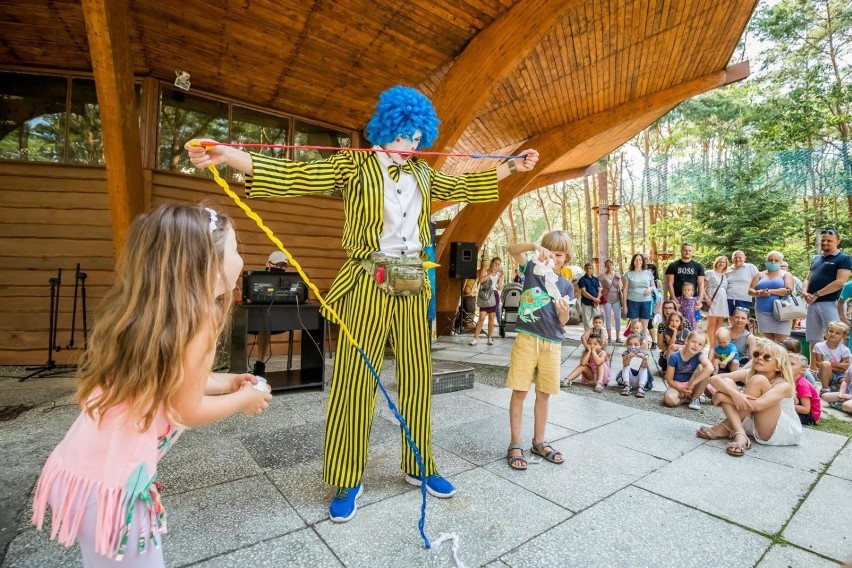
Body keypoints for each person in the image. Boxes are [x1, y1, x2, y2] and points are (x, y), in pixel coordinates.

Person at [186, 86, 539, 520]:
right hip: (367, 281)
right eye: (405, 135)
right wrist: (228, 154)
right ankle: (348, 477)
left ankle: (419, 465)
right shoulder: (354, 165)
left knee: (416, 377)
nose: (411, 145)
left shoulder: (425, 175)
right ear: (387, 129)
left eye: (417, 137)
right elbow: (298, 175)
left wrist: (512, 166)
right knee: (355, 380)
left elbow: (465, 182)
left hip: (413, 282)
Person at [30, 204, 272, 565]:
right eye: (235, 250)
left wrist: (231, 383)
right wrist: (244, 401)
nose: (240, 259)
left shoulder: (155, 314)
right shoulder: (199, 320)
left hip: (79, 468)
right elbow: (185, 408)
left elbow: (176, 382)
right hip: (115, 488)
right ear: (207, 263)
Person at [505, 232, 573, 470]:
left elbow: (563, 320)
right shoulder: (532, 268)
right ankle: (515, 442)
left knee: (544, 394)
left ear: (566, 257)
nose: (554, 256)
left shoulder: (566, 285)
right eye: (550, 251)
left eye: (559, 253)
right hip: (527, 339)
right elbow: (511, 249)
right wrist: (534, 246)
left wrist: (563, 311)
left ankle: (539, 441)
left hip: (552, 343)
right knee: (520, 391)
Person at [699, 341, 801, 456]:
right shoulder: (749, 373)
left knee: (758, 380)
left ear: (778, 366)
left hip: (777, 429)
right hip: (753, 418)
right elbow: (713, 379)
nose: (760, 358)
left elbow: (758, 405)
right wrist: (734, 394)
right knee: (727, 382)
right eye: (757, 354)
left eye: (767, 357)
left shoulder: (784, 385)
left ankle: (725, 428)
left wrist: (723, 397)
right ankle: (740, 433)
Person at [803, 228, 852, 353]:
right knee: (813, 338)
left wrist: (817, 294)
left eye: (829, 241)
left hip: (831, 302)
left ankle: (836, 366)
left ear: (837, 241)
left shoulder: (843, 258)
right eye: (823, 240)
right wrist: (804, 293)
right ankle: (814, 368)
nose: (825, 243)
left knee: (835, 337)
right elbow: (807, 279)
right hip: (812, 303)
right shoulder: (816, 258)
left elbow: (840, 282)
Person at [254, 250, 291, 375]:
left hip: (279, 318)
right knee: (264, 324)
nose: (280, 268)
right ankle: (260, 364)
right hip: (258, 318)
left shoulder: (287, 280)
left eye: (283, 266)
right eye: (277, 265)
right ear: (268, 264)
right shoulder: (257, 277)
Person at [748, 250, 795, 343]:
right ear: (766, 261)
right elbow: (750, 291)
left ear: (780, 262)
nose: (773, 262)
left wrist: (770, 291)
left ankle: (782, 358)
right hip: (762, 312)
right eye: (770, 260)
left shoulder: (786, 274)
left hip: (782, 312)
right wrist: (759, 293)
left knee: (782, 341)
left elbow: (788, 290)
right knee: (768, 342)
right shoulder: (759, 275)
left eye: (776, 260)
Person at [663, 330, 713, 410]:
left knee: (702, 368)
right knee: (669, 400)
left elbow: (710, 368)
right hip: (677, 386)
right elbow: (669, 379)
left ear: (702, 348)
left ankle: (695, 398)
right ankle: (685, 400)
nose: (696, 345)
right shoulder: (674, 357)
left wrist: (693, 384)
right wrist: (680, 390)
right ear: (686, 341)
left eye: (700, 344)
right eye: (693, 342)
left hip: (692, 384)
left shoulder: (700, 356)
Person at [811, 320, 851, 394]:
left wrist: (830, 366)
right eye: (831, 331)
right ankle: (825, 389)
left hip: (840, 375)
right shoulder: (819, 346)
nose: (833, 334)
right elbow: (818, 364)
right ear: (827, 331)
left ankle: (835, 386)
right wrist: (837, 366)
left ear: (843, 336)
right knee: (826, 364)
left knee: (847, 383)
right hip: (823, 373)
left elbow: (845, 368)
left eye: (837, 333)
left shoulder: (845, 350)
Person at [471, 257, 503, 345]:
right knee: (482, 316)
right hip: (485, 295)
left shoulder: (498, 274)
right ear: (492, 263)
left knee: (492, 317)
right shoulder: (485, 271)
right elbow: (480, 280)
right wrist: (490, 274)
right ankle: (475, 338)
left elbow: (500, 288)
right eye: (495, 263)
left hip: (494, 295)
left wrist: (500, 278)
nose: (497, 266)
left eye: (498, 264)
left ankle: (489, 338)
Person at [622, 253, 655, 340]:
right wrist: (624, 305)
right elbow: (625, 290)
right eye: (636, 260)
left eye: (640, 260)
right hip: (632, 301)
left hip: (646, 302)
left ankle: (643, 346)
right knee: (635, 326)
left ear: (643, 262)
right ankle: (634, 346)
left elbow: (654, 287)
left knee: (644, 326)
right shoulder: (628, 274)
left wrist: (650, 289)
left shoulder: (648, 273)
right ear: (633, 262)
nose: (638, 261)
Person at [665, 243, 705, 311]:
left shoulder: (698, 266)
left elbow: (701, 284)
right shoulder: (673, 265)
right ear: (681, 251)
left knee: (691, 320)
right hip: (677, 298)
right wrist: (674, 298)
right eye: (685, 250)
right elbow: (670, 283)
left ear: (692, 252)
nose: (687, 252)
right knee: (675, 320)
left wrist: (700, 299)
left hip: (692, 299)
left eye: (689, 250)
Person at [703, 255, 729, 350]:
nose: (721, 263)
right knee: (712, 324)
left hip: (722, 302)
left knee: (719, 324)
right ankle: (710, 345)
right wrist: (706, 298)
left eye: (724, 262)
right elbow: (702, 286)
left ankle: (716, 344)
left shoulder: (724, 276)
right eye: (720, 261)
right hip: (712, 301)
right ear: (716, 263)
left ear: (726, 264)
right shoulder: (710, 273)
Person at [657, 300, 690, 374]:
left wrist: (677, 347)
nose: (667, 310)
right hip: (668, 351)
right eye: (665, 308)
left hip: (683, 349)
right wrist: (671, 348)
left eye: (670, 308)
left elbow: (691, 341)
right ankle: (670, 371)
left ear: (675, 309)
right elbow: (660, 345)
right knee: (671, 349)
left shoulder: (685, 324)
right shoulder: (662, 326)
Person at [790, 353, 821, 425]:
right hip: (799, 408)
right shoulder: (790, 381)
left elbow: (806, 409)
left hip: (810, 416)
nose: (786, 365)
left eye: (791, 364)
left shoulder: (802, 384)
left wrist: (785, 406)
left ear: (802, 370)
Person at [726, 250, 758, 321]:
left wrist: (756, 293)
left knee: (742, 320)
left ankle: (743, 332)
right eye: (735, 257)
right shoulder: (727, 270)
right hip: (729, 298)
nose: (737, 259)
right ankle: (732, 332)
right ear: (732, 259)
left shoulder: (750, 267)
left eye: (740, 257)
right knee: (731, 319)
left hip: (744, 299)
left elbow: (758, 281)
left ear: (744, 258)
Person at [598, 259, 623, 343]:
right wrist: (601, 290)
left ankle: (618, 337)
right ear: (605, 266)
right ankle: (609, 337)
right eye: (607, 265)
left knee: (617, 317)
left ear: (613, 265)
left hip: (616, 299)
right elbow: (597, 285)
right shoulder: (602, 276)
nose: (609, 266)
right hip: (607, 299)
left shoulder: (617, 275)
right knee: (608, 317)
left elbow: (621, 286)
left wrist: (619, 280)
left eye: (611, 265)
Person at [642, 253, 662, 349]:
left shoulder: (657, 281)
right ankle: (641, 341)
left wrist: (657, 308)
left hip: (652, 304)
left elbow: (659, 295)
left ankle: (654, 341)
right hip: (641, 302)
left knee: (649, 323)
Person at [577, 262, 602, 329]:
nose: (588, 270)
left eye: (590, 268)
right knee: (586, 321)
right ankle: (588, 336)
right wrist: (594, 299)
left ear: (592, 269)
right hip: (586, 303)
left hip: (595, 303)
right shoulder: (582, 280)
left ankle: (597, 335)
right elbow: (584, 292)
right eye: (587, 268)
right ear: (584, 269)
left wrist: (597, 300)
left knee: (598, 319)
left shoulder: (596, 279)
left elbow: (600, 290)